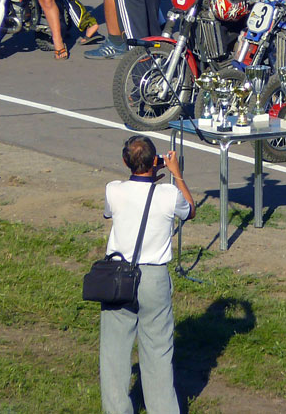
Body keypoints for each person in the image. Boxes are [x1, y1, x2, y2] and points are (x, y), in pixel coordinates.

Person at [100, 135, 195, 413]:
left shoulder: (113, 190)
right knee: (158, 352)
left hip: (118, 276)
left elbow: (110, 214)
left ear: (124, 162)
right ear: (156, 161)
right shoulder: (168, 195)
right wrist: (176, 175)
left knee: (114, 353)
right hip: (154, 279)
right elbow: (190, 210)